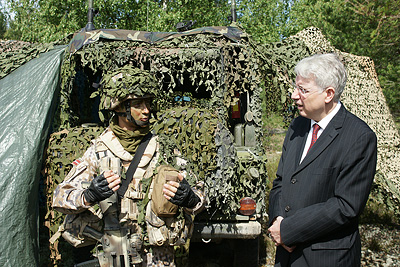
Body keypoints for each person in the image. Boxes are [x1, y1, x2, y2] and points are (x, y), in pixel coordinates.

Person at [52, 66, 206, 266]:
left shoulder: (164, 148)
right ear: (119, 107)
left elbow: (200, 195)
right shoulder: (99, 151)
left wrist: (191, 197)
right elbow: (60, 197)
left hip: (158, 257)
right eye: (138, 104)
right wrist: (88, 196)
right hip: (116, 253)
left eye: (148, 103)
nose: (146, 110)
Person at [267, 54, 377, 267]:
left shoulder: (359, 137)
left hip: (327, 258)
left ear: (328, 94)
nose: (293, 95)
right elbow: (281, 182)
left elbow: (346, 205)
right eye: (295, 87)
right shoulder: (297, 127)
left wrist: (289, 230)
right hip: (286, 255)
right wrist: (277, 222)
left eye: (303, 90)